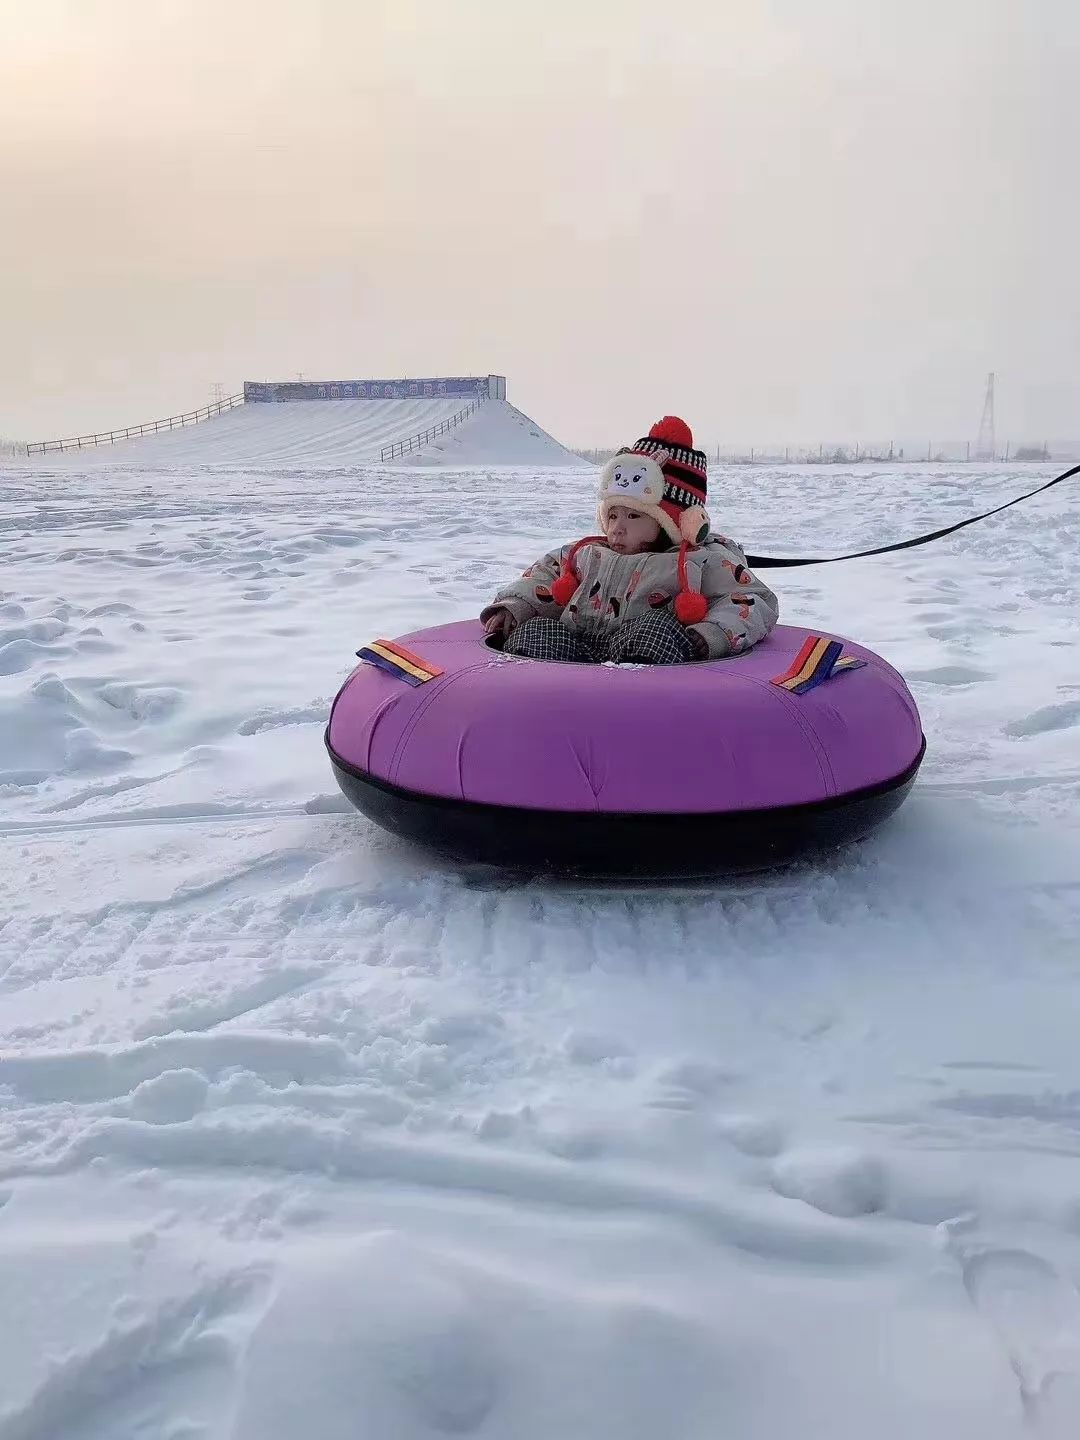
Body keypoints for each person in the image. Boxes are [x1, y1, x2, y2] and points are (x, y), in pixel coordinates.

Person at [481, 416, 779, 664]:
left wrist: (713, 633)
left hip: (641, 663)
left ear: (671, 524)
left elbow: (753, 598)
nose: (618, 528)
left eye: (634, 517)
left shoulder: (699, 561)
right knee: (537, 630)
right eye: (613, 516)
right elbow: (543, 578)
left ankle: (642, 716)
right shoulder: (582, 554)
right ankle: (530, 703)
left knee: (655, 629)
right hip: (572, 655)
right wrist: (515, 607)